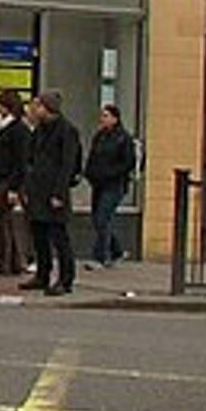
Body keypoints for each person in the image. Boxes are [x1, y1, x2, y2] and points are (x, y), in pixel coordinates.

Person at [20, 89, 83, 296]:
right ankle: (42, 274)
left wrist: (59, 193)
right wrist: (27, 187)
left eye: (39, 106)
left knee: (59, 237)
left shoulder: (67, 131)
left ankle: (66, 279)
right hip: (37, 189)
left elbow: (68, 164)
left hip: (55, 191)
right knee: (39, 235)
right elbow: (30, 159)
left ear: (48, 108)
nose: (35, 109)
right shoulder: (39, 130)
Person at [0, 87, 32, 275]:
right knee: (3, 222)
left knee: (1, 221)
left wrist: (14, 187)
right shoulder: (0, 128)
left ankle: (5, 262)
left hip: (8, 180)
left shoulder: (18, 130)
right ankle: (9, 261)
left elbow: (21, 160)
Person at [84, 103, 137, 268]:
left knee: (103, 217)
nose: (103, 119)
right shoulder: (99, 137)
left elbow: (128, 162)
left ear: (115, 118)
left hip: (114, 184)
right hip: (98, 183)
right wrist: (90, 173)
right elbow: (92, 156)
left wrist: (111, 173)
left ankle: (101, 256)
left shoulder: (123, 138)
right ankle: (117, 251)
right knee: (99, 219)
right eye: (102, 116)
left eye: (106, 116)